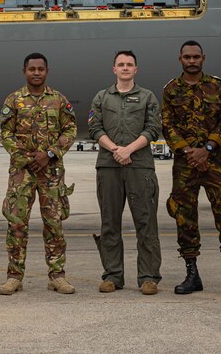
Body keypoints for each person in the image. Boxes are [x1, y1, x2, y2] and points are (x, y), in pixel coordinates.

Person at [161, 41, 221, 296]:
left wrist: (208, 149)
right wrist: (187, 151)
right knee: (184, 216)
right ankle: (192, 274)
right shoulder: (171, 89)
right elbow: (167, 124)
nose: (192, 61)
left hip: (214, 161)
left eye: (196, 57)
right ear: (180, 59)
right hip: (185, 163)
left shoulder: (217, 85)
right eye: (187, 57)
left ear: (203, 58)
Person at [0, 52, 77, 295]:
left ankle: (57, 276)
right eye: (32, 69)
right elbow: (5, 133)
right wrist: (27, 159)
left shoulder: (59, 100)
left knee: (54, 224)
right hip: (23, 173)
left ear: (47, 71)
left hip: (51, 172)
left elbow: (70, 129)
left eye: (40, 69)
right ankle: (14, 276)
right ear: (25, 71)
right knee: (17, 224)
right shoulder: (14, 100)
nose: (36, 73)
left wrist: (49, 154)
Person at [87, 50, 163, 295]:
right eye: (121, 64)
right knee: (110, 223)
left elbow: (153, 129)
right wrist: (115, 149)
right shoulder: (101, 97)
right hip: (109, 166)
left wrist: (129, 150)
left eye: (129, 64)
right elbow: (94, 128)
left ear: (136, 69)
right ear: (114, 69)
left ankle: (149, 277)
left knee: (146, 223)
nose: (125, 68)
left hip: (139, 166)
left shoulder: (147, 97)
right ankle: (112, 275)